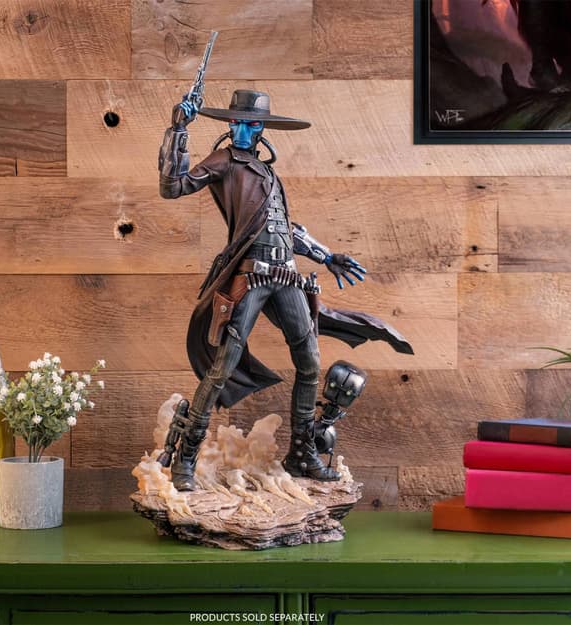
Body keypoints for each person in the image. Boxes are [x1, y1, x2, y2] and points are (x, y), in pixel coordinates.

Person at [158, 89, 412, 491]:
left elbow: (282, 229)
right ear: (229, 125)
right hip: (250, 276)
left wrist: (327, 256)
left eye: (251, 124)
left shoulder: (268, 173)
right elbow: (173, 186)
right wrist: (179, 130)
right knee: (223, 366)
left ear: (261, 128)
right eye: (237, 123)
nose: (243, 131)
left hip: (287, 277)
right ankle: (186, 458)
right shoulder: (223, 161)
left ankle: (302, 453)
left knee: (309, 361)